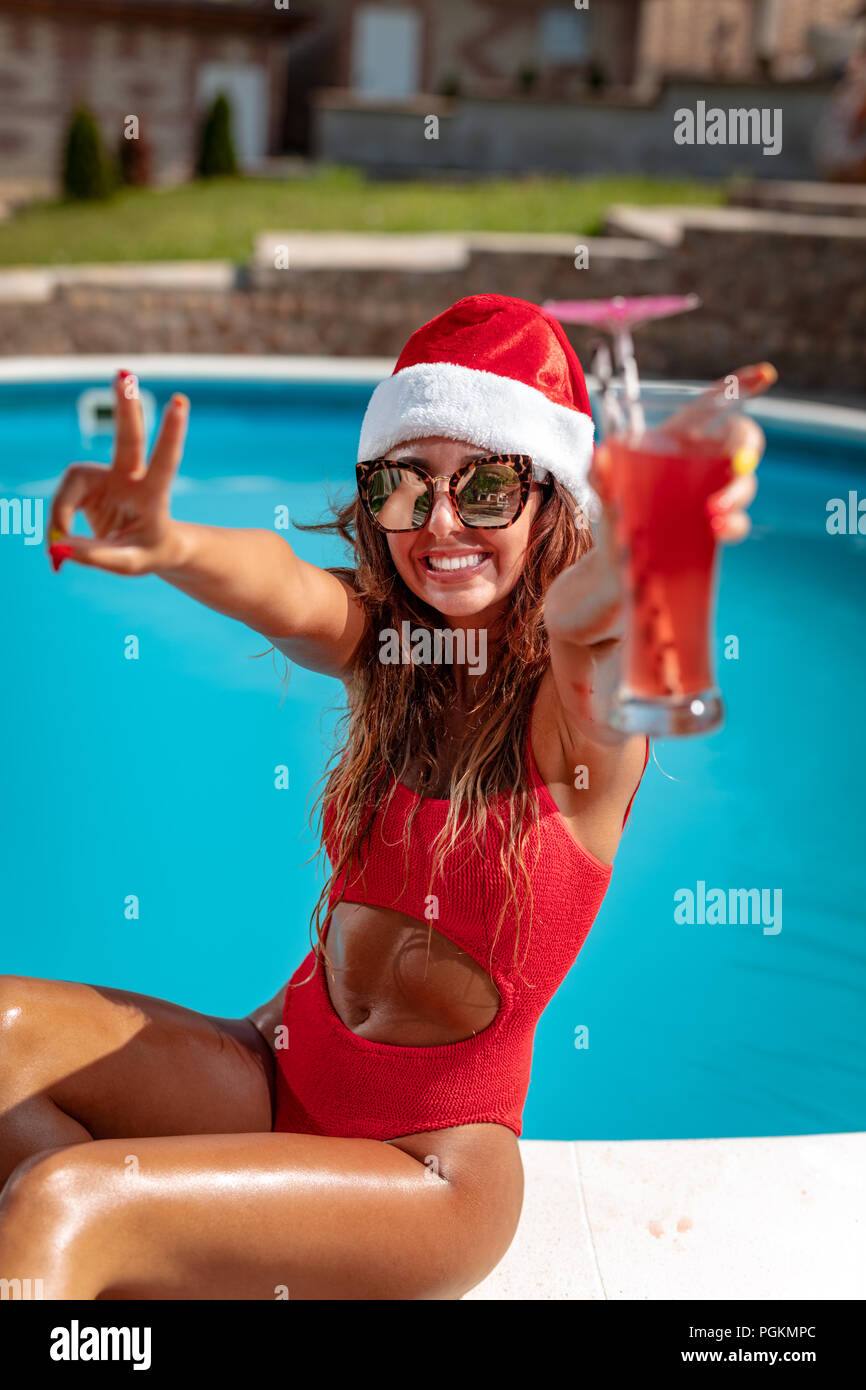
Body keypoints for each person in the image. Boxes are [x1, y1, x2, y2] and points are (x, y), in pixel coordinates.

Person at [0, 295, 762, 1300]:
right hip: (275, 1074)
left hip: (425, 1173)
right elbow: (285, 584)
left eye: (488, 487)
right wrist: (170, 542)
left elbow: (589, 621)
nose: (441, 523)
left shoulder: (576, 722)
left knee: (67, 1203)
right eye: (405, 488)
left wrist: (644, 540)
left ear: (551, 504)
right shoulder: (394, 656)